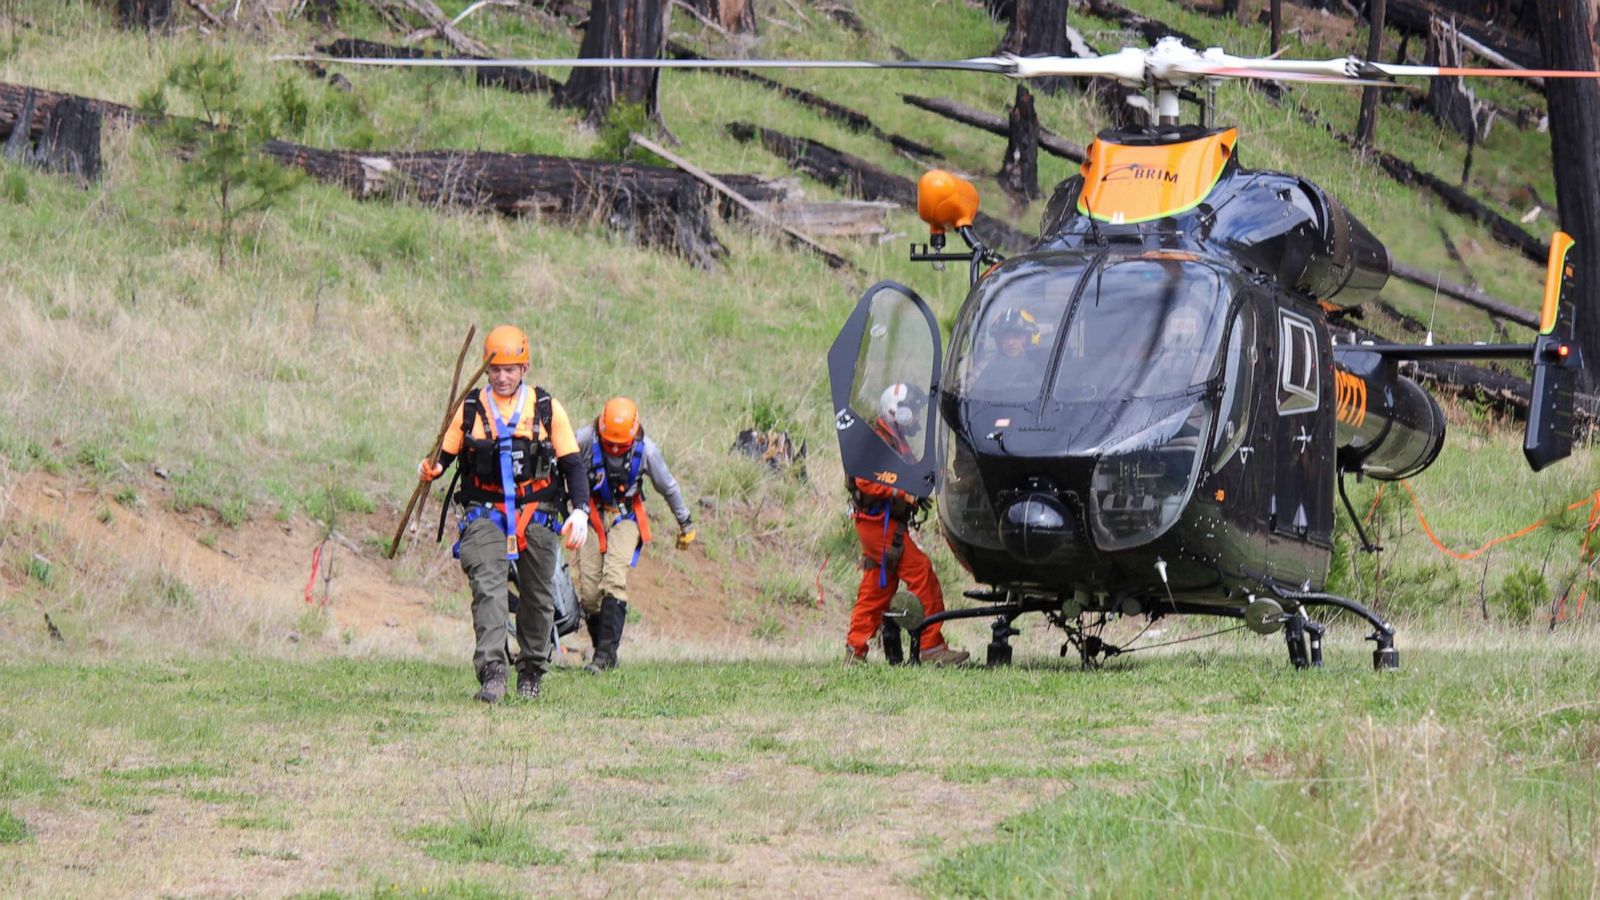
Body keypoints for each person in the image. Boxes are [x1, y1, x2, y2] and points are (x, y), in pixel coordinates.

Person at [417, 325, 591, 703]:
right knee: (488, 589)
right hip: (484, 512)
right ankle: (493, 671)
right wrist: (430, 469)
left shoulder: (546, 408)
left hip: (539, 512)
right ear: (485, 368)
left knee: (538, 595)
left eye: (511, 369)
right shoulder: (468, 409)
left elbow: (572, 464)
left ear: (524, 368)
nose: (502, 376)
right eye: (495, 369)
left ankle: (531, 668)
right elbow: (442, 458)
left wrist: (580, 512)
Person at [846, 383, 969, 665]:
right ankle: (931, 647)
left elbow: (909, 472)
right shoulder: (876, 441)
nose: (916, 418)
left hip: (883, 526)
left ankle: (855, 650)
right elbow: (867, 481)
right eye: (913, 412)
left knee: (878, 588)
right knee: (922, 574)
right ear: (897, 412)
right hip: (880, 525)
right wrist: (902, 492)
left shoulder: (894, 440)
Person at [573, 397, 696, 673]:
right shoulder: (583, 438)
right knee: (591, 593)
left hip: (625, 517)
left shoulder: (648, 451)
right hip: (591, 515)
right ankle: (604, 652)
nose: (615, 449)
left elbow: (668, 487)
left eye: (621, 445)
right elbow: (562, 467)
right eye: (609, 443)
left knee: (614, 578)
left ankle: (603, 658)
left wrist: (685, 522)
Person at [972, 306, 1042, 395]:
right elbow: (967, 389)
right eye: (1005, 337)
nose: (1010, 342)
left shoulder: (1043, 365)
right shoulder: (988, 363)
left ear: (1030, 338)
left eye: (1017, 335)